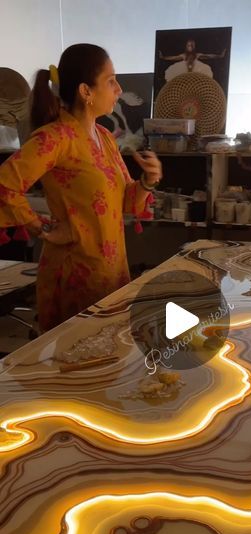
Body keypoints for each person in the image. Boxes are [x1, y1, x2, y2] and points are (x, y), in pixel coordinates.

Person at [0, 43, 162, 332]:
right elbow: (5, 185)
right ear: (86, 91)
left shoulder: (105, 137)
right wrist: (40, 227)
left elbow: (127, 202)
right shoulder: (55, 138)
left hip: (111, 271)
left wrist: (147, 182)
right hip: (74, 274)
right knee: (75, 363)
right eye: (111, 80)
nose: (119, 89)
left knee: (108, 358)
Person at [159, 39, 226, 81]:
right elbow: (174, 58)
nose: (190, 46)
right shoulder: (183, 55)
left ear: (194, 47)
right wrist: (163, 57)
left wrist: (219, 56)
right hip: (185, 76)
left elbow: (208, 56)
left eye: (191, 45)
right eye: (188, 45)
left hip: (195, 76)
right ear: (186, 47)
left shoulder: (197, 55)